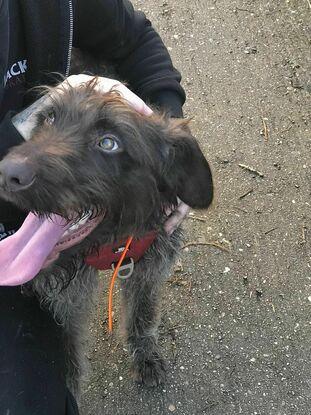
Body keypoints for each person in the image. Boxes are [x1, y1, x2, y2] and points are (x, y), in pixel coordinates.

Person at [0, 1, 189, 413]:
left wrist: (168, 143)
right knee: (61, 315)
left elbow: (137, 37)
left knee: (149, 268)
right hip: (35, 185)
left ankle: (140, 339)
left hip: (90, 178)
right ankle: (67, 383)